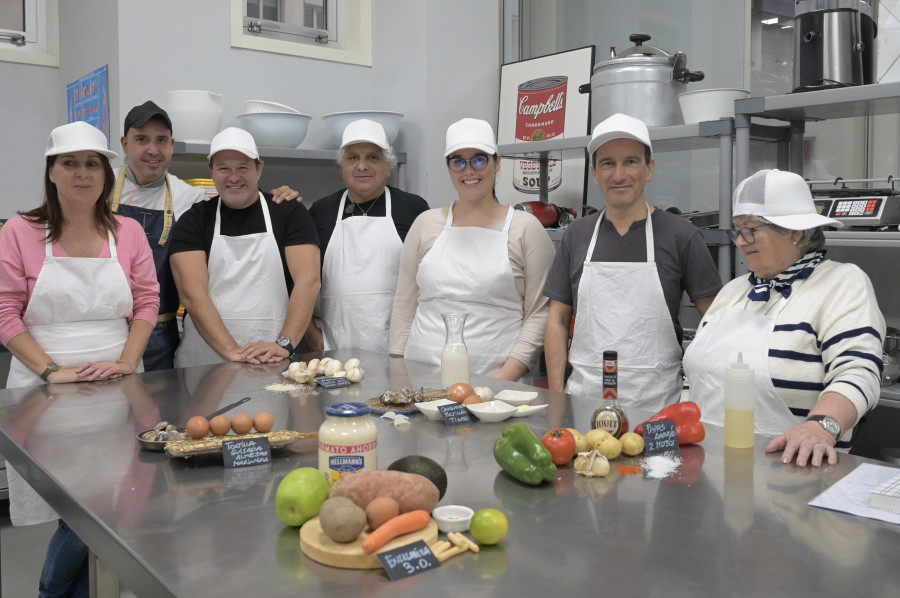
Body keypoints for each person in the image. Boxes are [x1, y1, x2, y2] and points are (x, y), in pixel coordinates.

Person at [0, 121, 160, 597]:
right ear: (51, 172)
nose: (83, 173)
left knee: (112, 498)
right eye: (70, 163)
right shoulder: (20, 231)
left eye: (93, 163)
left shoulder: (128, 231)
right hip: (42, 388)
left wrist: (128, 364)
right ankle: (55, 590)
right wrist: (53, 371)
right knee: (74, 505)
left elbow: (147, 301)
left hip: (117, 384)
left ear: (107, 175)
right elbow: (6, 310)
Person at [683, 169, 885, 468]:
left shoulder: (841, 283)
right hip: (706, 474)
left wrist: (821, 427)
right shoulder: (734, 292)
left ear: (794, 231)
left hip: (793, 478)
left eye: (750, 230)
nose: (740, 242)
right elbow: (694, 379)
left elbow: (858, 372)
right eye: (736, 230)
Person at [543, 113, 722, 411]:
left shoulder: (681, 235)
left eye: (631, 162)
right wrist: (556, 397)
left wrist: (701, 397)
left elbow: (716, 325)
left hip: (659, 406)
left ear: (649, 169)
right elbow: (557, 321)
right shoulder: (577, 235)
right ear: (595, 173)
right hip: (584, 401)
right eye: (608, 163)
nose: (619, 174)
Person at [113, 100, 300, 370]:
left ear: (172, 145)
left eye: (161, 140)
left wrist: (280, 195)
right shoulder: (98, 191)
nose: (153, 150)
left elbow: (239, 193)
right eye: (142, 139)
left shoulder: (189, 197)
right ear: (125, 144)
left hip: (161, 332)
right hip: (110, 330)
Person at [389, 118, 555, 380]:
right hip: (419, 379)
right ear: (449, 167)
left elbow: (539, 313)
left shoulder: (525, 229)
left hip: (494, 386)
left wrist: (501, 381)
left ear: (497, 162)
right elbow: (404, 305)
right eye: (458, 161)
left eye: (479, 159)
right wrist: (398, 374)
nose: (469, 171)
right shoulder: (426, 224)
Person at [170, 127, 320, 367]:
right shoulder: (194, 220)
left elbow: (308, 280)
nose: (233, 177)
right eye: (223, 168)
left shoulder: (288, 213)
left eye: (242, 168)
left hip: (273, 358)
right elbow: (192, 293)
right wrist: (232, 351)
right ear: (211, 171)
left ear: (259, 169)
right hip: (206, 363)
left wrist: (284, 344)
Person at [304, 118, 428, 353]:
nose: (362, 166)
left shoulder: (413, 209)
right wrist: (313, 338)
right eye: (353, 158)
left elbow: (431, 282)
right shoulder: (322, 211)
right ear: (343, 167)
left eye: (372, 157)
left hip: (401, 351)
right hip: (333, 350)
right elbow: (297, 282)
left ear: (388, 166)